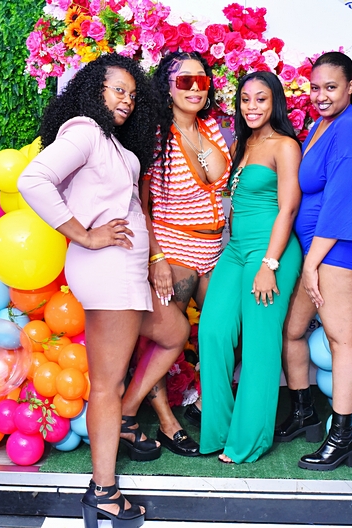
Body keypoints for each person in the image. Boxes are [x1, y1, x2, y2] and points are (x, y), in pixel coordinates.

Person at [18, 54, 189, 528]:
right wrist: (85, 235)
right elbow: (33, 179)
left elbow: (126, 204)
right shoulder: (86, 131)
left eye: (132, 94)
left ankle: (128, 417)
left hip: (127, 272)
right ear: (95, 90)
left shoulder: (111, 141)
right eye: (117, 90)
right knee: (107, 386)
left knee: (173, 331)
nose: (127, 101)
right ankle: (104, 492)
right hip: (108, 270)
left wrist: (151, 259)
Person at [277, 51, 352, 471]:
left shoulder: (351, 129)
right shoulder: (323, 123)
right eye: (315, 87)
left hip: (340, 243)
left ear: (350, 87)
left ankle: (342, 439)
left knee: (344, 340)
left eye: (331, 88)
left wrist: (311, 264)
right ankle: (305, 414)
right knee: (293, 329)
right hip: (318, 248)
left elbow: (340, 204)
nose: (321, 95)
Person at [198, 71, 303, 464]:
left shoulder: (285, 146)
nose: (252, 106)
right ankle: (220, 431)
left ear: (275, 102)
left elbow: (288, 208)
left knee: (260, 343)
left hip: (270, 251)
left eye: (260, 98)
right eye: (245, 99)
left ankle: (249, 440)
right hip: (237, 248)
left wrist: (269, 265)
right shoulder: (242, 143)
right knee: (212, 331)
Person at [138, 51, 232, 454]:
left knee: (225, 330)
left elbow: (222, 183)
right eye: (184, 80)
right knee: (165, 341)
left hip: (214, 249)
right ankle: (165, 421)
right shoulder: (155, 136)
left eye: (202, 80)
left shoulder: (211, 127)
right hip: (173, 247)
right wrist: (156, 258)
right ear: (167, 86)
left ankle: (206, 406)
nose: (195, 88)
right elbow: (141, 207)